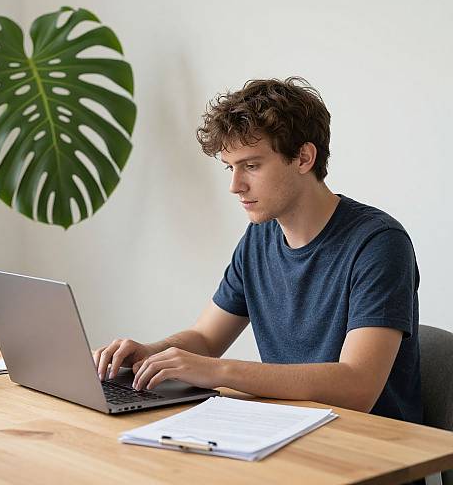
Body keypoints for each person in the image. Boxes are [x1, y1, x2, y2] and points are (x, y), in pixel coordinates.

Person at [93, 77, 422, 423]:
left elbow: (357, 387)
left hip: (372, 450)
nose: (235, 186)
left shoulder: (378, 243)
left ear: (304, 157)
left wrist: (219, 371)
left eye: (251, 165)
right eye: (230, 168)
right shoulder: (259, 237)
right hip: (290, 431)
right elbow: (205, 339)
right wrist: (149, 353)